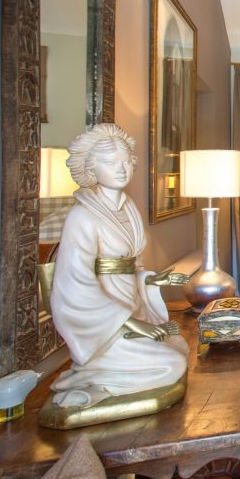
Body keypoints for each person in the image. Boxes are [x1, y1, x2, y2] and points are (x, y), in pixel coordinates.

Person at [49, 124, 189, 409]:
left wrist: (152, 280)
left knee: (179, 345)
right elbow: (75, 285)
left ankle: (106, 376)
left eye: (126, 161)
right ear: (91, 168)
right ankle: (93, 385)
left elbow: (127, 268)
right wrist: (131, 322)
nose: (121, 169)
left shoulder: (128, 207)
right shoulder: (82, 216)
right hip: (105, 326)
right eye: (110, 162)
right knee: (173, 363)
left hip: (130, 306)